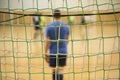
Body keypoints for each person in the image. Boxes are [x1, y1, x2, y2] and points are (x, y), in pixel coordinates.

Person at [45, 9, 69, 80]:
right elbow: (67, 40)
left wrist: (46, 52)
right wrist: (63, 47)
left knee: (54, 70)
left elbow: (47, 41)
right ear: (60, 15)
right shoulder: (65, 26)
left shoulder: (49, 26)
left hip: (53, 52)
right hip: (63, 52)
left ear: (53, 16)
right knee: (60, 70)